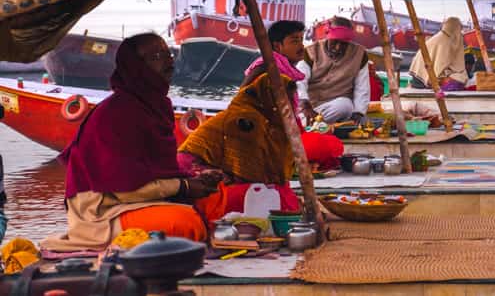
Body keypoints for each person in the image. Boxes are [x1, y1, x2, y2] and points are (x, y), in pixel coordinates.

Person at [42, 34, 214, 251]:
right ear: (135, 67)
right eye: (156, 56)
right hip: (104, 212)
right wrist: (184, 186)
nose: (169, 61)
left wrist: (196, 179)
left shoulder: (153, 105)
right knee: (187, 223)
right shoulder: (119, 113)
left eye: (168, 54)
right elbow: (124, 188)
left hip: (136, 199)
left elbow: (157, 170)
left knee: (218, 200)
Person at [178, 73, 302, 225]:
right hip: (195, 177)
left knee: (280, 194)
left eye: (290, 99)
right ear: (268, 96)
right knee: (273, 195)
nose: (288, 105)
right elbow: (248, 170)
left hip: (222, 173)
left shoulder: (265, 118)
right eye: (284, 100)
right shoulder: (246, 119)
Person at [239, 20, 345, 169]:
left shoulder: (283, 67)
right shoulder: (266, 66)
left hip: (284, 136)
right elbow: (242, 98)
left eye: (302, 40)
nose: (301, 46)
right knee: (329, 146)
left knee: (329, 141)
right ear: (277, 46)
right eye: (295, 41)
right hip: (266, 141)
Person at [297, 17, 371, 125]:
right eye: (334, 42)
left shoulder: (359, 55)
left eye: (344, 44)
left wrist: (358, 113)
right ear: (328, 36)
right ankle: (313, 123)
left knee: (345, 105)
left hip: (339, 109)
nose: (338, 48)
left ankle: (315, 125)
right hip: (311, 108)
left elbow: (362, 88)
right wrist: (304, 104)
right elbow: (299, 81)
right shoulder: (310, 52)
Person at [409, 17, 469, 91]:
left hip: (418, 77)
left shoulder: (441, 37)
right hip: (423, 80)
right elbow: (439, 68)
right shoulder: (446, 40)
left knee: (459, 77)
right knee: (459, 79)